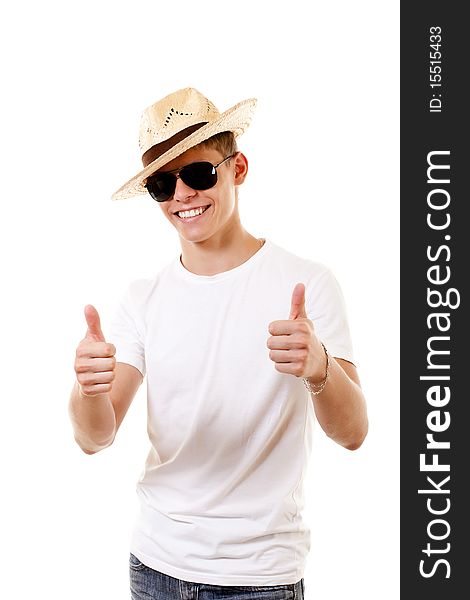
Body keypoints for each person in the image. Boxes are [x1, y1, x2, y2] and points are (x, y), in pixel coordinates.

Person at [68, 87, 368, 600]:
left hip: (259, 577)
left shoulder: (307, 283)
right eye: (163, 184)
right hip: (155, 566)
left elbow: (355, 433)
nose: (183, 194)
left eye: (199, 173)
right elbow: (94, 438)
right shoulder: (143, 299)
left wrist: (319, 367)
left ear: (238, 168)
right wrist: (87, 390)